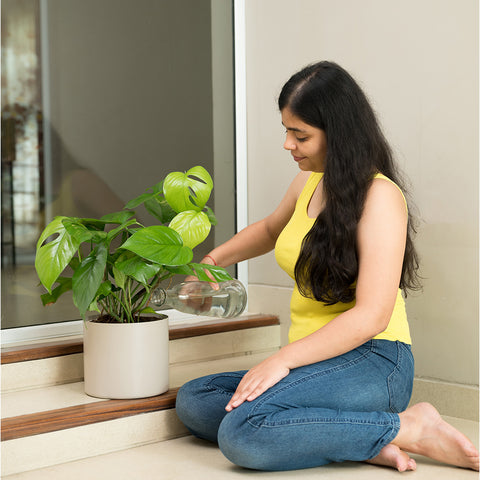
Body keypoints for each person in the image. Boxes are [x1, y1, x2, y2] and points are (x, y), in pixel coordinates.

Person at [175, 61, 479, 473]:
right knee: (197, 400)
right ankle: (359, 438)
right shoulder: (308, 181)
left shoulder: (381, 198)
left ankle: (409, 427)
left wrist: (281, 360)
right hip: (312, 362)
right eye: (286, 130)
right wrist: (211, 263)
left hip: (373, 361)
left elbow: (372, 316)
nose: (288, 144)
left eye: (300, 135)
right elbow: (268, 230)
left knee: (243, 432)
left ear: (339, 134)